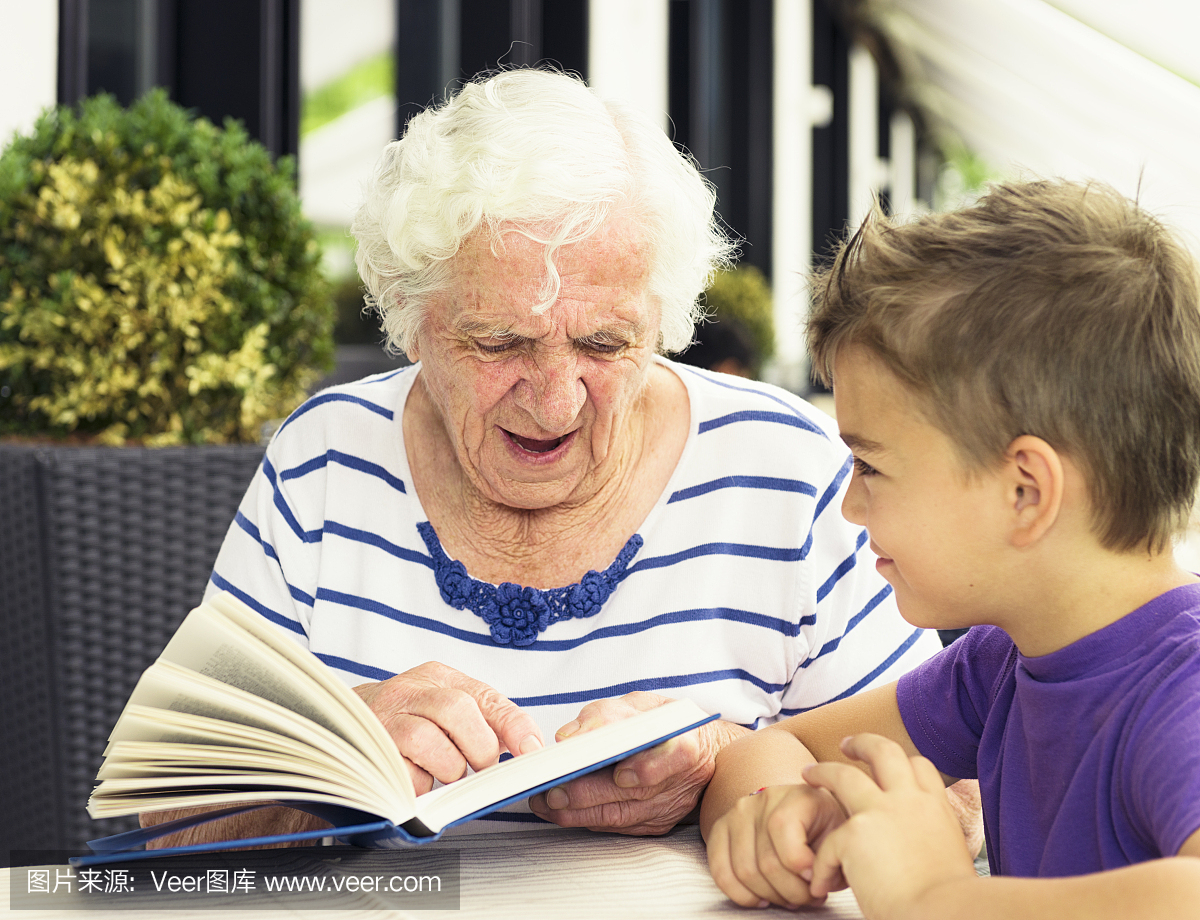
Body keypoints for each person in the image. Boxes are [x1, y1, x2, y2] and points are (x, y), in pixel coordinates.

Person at [142, 68, 952, 846]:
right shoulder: (326, 457)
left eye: (605, 342)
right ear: (410, 318)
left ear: (665, 324)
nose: (555, 398)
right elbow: (175, 814)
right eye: (499, 342)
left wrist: (721, 763)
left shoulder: (789, 471)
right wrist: (329, 749)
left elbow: (941, 789)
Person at [700, 179, 1200, 917]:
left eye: (871, 466)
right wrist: (775, 817)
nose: (849, 504)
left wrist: (934, 895)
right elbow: (770, 748)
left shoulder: (1182, 691)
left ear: (1025, 493)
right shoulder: (1000, 662)